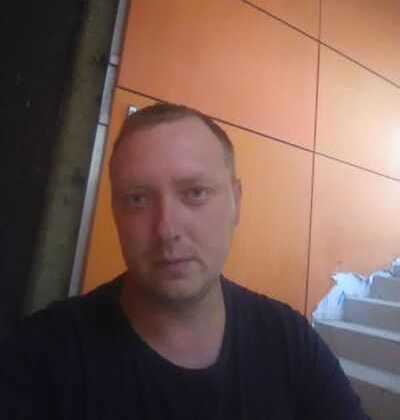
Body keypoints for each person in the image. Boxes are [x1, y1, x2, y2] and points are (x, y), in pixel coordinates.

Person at [0, 102, 370, 419]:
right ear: (115, 212)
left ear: (236, 202)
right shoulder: (43, 356)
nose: (167, 229)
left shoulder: (288, 339)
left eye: (195, 192)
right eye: (137, 199)